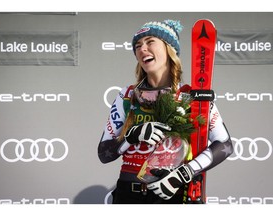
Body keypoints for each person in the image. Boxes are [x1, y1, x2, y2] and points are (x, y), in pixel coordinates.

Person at [98, 19, 233, 204]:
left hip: (172, 193)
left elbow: (224, 145)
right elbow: (104, 153)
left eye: (150, 41)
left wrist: (186, 172)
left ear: (170, 49)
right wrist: (129, 138)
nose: (142, 49)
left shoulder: (191, 96)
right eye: (137, 45)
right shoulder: (127, 95)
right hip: (128, 195)